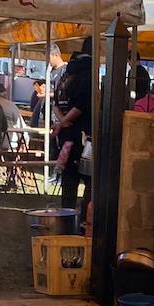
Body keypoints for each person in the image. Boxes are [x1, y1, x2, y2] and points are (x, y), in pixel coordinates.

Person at [52, 39, 93, 212]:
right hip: (82, 135)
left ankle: (65, 215)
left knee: (69, 179)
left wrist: (62, 121)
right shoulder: (87, 72)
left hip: (65, 136)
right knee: (89, 180)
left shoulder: (65, 73)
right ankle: (84, 218)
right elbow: (80, 105)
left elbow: (55, 103)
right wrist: (65, 120)